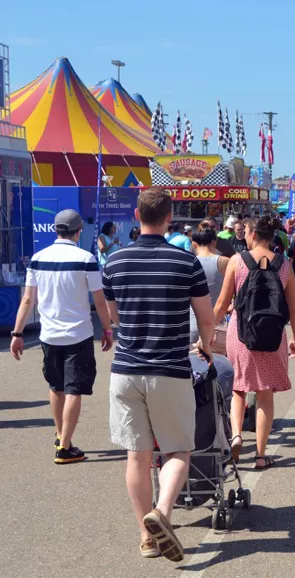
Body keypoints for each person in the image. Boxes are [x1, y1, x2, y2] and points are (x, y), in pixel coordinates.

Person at [102, 188, 215, 562]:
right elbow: (205, 317)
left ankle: (145, 535)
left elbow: (115, 316)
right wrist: (206, 346)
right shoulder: (186, 263)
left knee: (137, 455)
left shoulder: (114, 262)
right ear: (170, 217)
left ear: (137, 215)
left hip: (126, 369)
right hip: (169, 368)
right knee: (178, 449)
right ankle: (162, 513)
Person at [10, 209, 113, 464]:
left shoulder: (38, 258)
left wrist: (17, 333)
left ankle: (60, 435)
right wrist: (108, 329)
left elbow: (27, 300)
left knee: (56, 387)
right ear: (78, 231)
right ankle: (65, 447)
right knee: (74, 388)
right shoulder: (86, 258)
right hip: (78, 334)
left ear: (56, 230)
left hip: (49, 334)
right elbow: (99, 301)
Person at [214, 215, 295, 469]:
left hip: (240, 334)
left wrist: (208, 331)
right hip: (273, 336)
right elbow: (294, 308)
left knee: (239, 389)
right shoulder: (284, 264)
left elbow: (222, 303)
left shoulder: (237, 261)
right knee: (265, 395)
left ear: (251, 233)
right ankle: (261, 456)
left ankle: (237, 434)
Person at [188, 225, 230, 346]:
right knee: (218, 364)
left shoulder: (187, 263)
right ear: (214, 242)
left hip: (192, 325)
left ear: (194, 244)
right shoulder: (224, 262)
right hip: (218, 328)